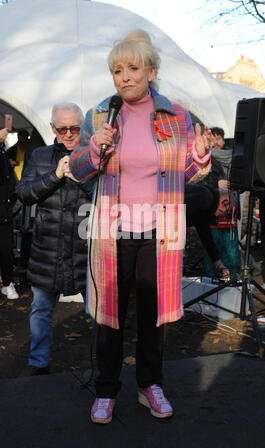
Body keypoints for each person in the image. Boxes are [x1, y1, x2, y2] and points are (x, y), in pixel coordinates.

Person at [68, 29, 212, 424]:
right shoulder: (100, 115)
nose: (125, 76)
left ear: (151, 71)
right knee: (110, 316)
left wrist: (198, 156)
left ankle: (151, 385)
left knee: (154, 313)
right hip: (111, 232)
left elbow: (183, 173)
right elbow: (80, 171)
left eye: (133, 68)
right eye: (117, 70)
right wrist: (95, 146)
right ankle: (106, 390)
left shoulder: (176, 115)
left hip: (159, 233)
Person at [16, 102, 94, 376]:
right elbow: (24, 193)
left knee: (99, 313)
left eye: (75, 128)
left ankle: (105, 363)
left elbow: (106, 195)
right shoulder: (39, 156)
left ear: (82, 127)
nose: (70, 134)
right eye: (63, 129)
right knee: (40, 310)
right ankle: (38, 363)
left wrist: (80, 176)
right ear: (53, 128)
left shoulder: (94, 156)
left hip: (86, 251)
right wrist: (56, 175)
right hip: (46, 251)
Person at [201, 126, 240, 279]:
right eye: (213, 139)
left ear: (223, 139)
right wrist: (216, 184)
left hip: (230, 214)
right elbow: (198, 183)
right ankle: (209, 283)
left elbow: (242, 184)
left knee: (231, 252)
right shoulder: (204, 158)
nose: (216, 142)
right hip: (211, 212)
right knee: (212, 248)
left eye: (219, 138)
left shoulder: (235, 158)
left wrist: (234, 185)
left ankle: (232, 284)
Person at [0, 128, 19, 299]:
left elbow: (9, 181)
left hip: (4, 212)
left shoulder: (4, 153)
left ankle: (7, 283)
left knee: (6, 250)